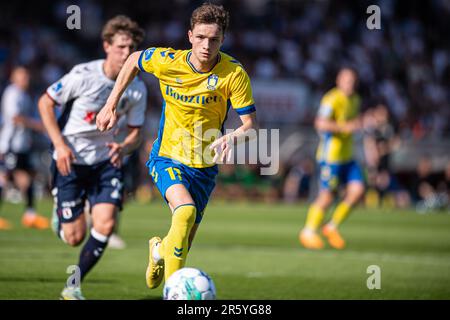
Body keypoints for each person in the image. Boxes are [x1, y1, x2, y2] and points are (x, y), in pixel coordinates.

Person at [96, 3, 258, 290]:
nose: (206, 45)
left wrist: (233, 136)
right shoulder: (168, 61)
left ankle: (158, 250)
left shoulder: (233, 74)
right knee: (185, 212)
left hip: (204, 167)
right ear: (189, 35)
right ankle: (175, 294)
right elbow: (134, 59)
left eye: (214, 39)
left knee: (184, 238)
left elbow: (250, 126)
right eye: (201, 37)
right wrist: (111, 103)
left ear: (223, 40)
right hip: (167, 156)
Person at [37, 15, 147, 300]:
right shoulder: (83, 75)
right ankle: (60, 214)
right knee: (74, 238)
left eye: (132, 48)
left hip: (106, 163)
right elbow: (45, 102)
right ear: (106, 45)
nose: (127, 53)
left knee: (106, 224)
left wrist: (124, 147)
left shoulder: (137, 88)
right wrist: (59, 144)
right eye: (122, 46)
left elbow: (136, 132)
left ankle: (73, 286)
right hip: (70, 160)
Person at [299, 67, 365, 250]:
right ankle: (308, 231)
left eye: (352, 81)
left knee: (358, 190)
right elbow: (320, 123)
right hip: (331, 157)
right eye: (346, 80)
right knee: (327, 197)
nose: (350, 84)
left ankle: (331, 226)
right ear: (339, 81)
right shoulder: (331, 99)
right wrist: (345, 127)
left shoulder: (356, 100)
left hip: (348, 155)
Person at [0, 66, 49, 230]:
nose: (25, 80)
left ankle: (30, 215)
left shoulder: (24, 95)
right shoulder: (12, 94)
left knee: (28, 177)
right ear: (14, 78)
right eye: (21, 77)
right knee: (5, 178)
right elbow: (15, 117)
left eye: (26, 77)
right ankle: (29, 214)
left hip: (22, 144)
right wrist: (38, 126)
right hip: (10, 145)